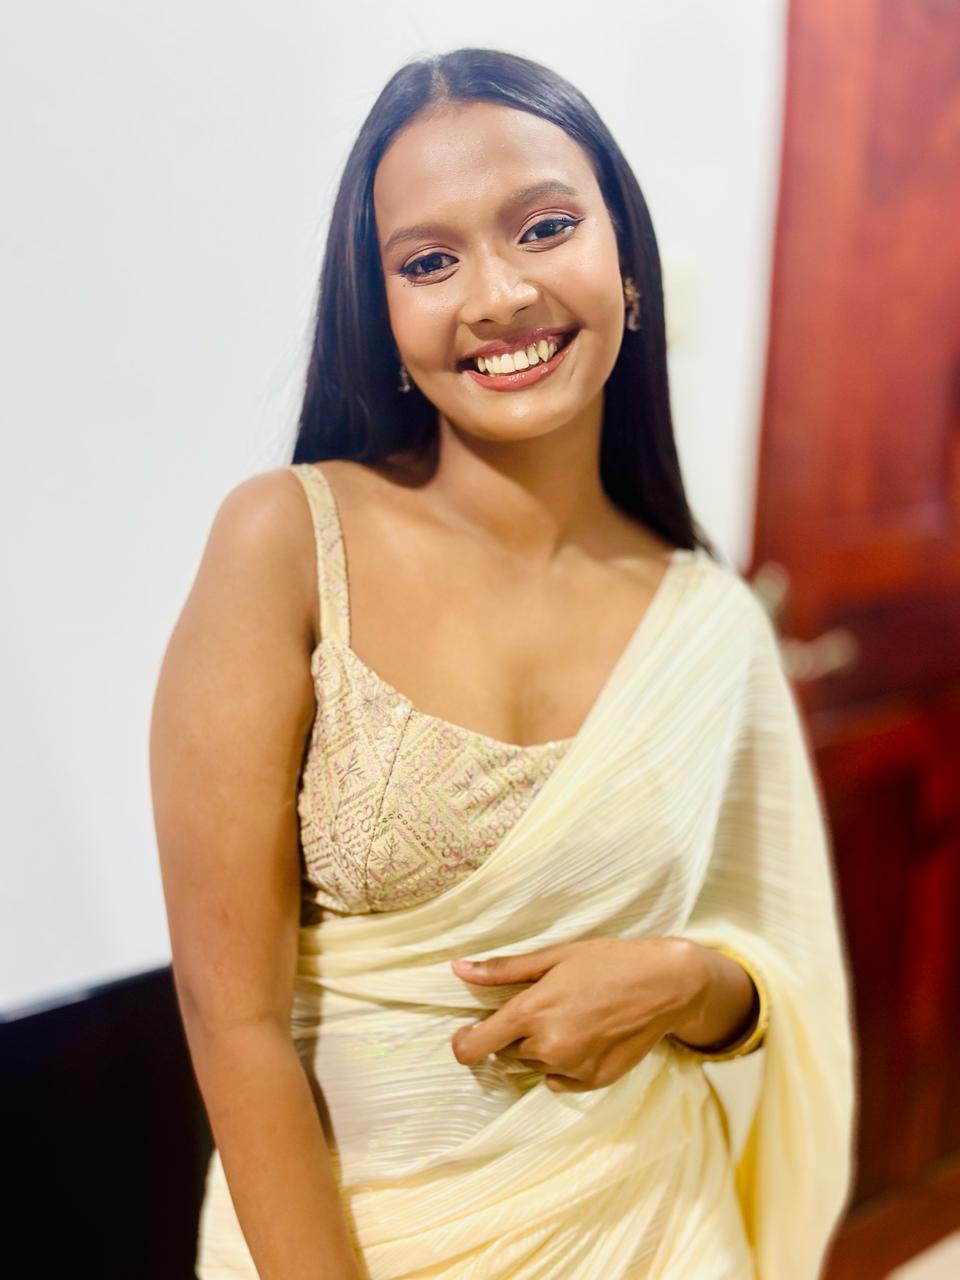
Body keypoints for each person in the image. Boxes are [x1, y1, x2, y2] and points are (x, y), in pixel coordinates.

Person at [149, 47, 856, 1280]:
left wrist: (684, 981)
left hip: (657, 1227)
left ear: (626, 263)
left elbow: (775, 967)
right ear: (383, 312)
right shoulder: (288, 543)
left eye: (544, 227)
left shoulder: (710, 621)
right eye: (429, 261)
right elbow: (233, 1015)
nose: (499, 293)